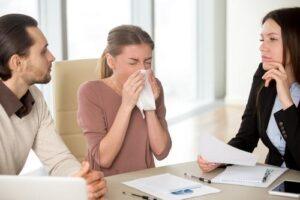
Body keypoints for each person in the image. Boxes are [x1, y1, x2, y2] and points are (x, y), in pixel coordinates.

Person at [0, 14, 106, 199]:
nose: (52, 57)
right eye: (43, 51)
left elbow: (58, 160)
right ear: (17, 62)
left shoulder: (34, 97)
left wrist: (81, 183)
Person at [198, 7, 300, 172]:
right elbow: (246, 138)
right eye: (262, 40)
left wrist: (286, 101)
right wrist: (220, 157)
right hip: (273, 180)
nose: (262, 47)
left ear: (296, 41)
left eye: (272, 39)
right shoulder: (263, 74)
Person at [77, 25, 172, 176]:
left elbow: (161, 152)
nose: (142, 70)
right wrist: (127, 105)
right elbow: (104, 159)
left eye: (147, 62)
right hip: (105, 184)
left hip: (146, 182)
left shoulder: (154, 86)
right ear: (111, 61)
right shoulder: (90, 92)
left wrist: (149, 105)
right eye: (133, 62)